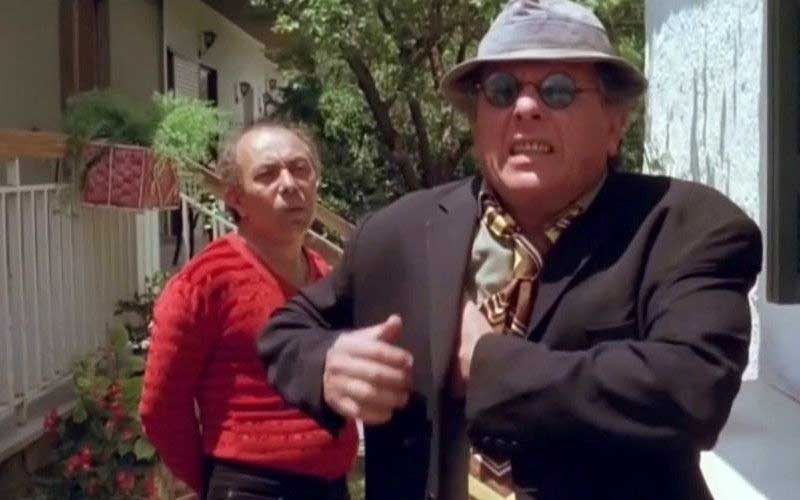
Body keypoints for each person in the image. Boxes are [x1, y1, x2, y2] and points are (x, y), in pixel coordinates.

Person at [257, 1, 763, 499]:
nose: (524, 107)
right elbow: (286, 332)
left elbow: (691, 389)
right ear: (477, 120)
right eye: (501, 90)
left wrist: (489, 366)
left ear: (615, 124)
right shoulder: (399, 233)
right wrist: (326, 363)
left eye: (558, 90)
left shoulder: (682, 227)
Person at [139, 121, 358, 500]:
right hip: (251, 488)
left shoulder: (326, 278)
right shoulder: (204, 284)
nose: (289, 184)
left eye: (300, 169)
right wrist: (215, 483)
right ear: (236, 199)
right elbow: (161, 410)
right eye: (267, 175)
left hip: (331, 488)